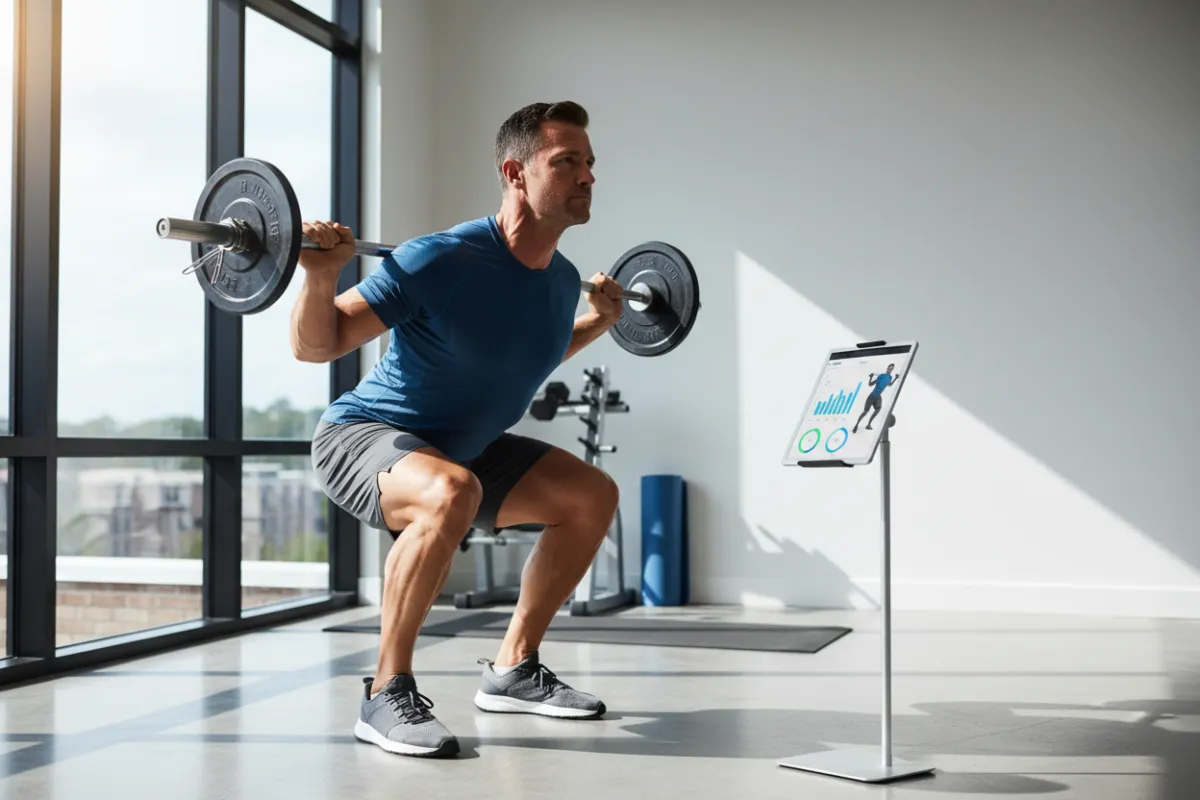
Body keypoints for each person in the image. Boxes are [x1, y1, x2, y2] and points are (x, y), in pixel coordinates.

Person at [291, 101, 626, 758]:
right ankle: (385, 691)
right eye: (567, 162)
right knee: (451, 491)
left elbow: (526, 353)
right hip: (364, 436)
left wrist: (600, 323)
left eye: (589, 163)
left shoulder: (559, 281)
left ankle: (513, 668)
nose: (587, 176)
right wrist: (321, 273)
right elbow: (318, 345)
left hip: (464, 451)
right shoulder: (438, 259)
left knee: (591, 495)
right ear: (515, 173)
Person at [852, 363, 900, 434]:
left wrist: (895, 378)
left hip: (878, 397)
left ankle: (868, 424)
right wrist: (871, 377)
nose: (890, 369)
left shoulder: (890, 377)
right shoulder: (881, 376)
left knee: (878, 409)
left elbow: (889, 385)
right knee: (865, 411)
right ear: (887, 368)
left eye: (891, 369)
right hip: (872, 396)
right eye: (889, 368)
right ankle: (856, 425)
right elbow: (870, 384)